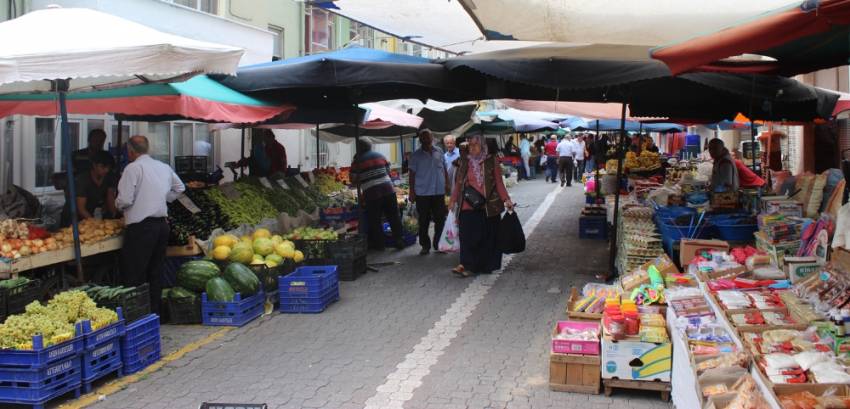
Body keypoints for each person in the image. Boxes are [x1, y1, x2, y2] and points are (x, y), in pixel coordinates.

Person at [117, 135, 185, 315]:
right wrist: (164, 198)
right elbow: (180, 188)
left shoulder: (133, 168)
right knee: (156, 272)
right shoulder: (163, 167)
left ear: (130, 151)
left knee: (135, 273)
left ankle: (137, 315)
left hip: (141, 228)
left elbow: (124, 199)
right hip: (161, 227)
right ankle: (154, 313)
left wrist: (118, 205)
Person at [448, 133, 514, 278]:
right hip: (467, 205)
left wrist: (506, 199)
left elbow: (498, 182)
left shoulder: (492, 161)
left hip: (488, 206)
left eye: (475, 144)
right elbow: (459, 183)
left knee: (486, 238)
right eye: (470, 145)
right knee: (467, 236)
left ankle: (483, 265)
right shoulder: (464, 162)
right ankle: (467, 265)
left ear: (483, 146)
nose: (472, 148)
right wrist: (452, 200)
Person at [351, 140, 404, 251]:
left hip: (372, 193)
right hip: (389, 190)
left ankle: (380, 245)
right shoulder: (380, 156)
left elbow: (353, 179)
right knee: (394, 216)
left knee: (375, 219)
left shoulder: (357, 161)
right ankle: (399, 240)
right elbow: (388, 172)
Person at [409, 129, 449, 255]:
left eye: (428, 137)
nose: (426, 140)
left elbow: (444, 169)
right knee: (423, 220)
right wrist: (412, 192)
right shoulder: (415, 155)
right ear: (420, 140)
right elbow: (412, 175)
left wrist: (447, 183)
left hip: (438, 191)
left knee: (440, 219)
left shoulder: (440, 151)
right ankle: (425, 245)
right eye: (423, 138)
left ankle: (438, 244)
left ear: (432, 138)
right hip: (422, 192)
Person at [67, 151, 118, 222]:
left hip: (93, 213)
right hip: (75, 218)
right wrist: (96, 223)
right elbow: (81, 209)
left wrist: (114, 215)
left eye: (108, 167)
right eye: (103, 167)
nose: (106, 170)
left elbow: (110, 197)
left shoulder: (109, 177)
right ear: (94, 165)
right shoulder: (82, 180)